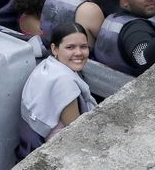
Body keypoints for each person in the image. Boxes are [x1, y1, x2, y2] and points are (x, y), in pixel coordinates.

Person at [16, 22, 97, 160]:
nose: (78, 53)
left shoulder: (46, 65)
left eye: (83, 47)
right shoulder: (64, 83)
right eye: (70, 47)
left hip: (28, 147)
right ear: (54, 49)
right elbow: (76, 133)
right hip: (57, 153)